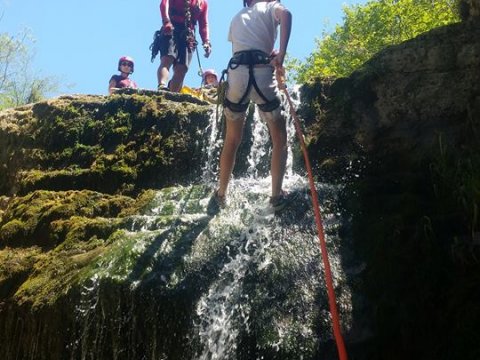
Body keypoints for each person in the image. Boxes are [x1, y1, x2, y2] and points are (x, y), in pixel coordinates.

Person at [208, 0, 292, 214]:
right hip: (263, 73)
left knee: (232, 139)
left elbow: (246, 44)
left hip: (237, 75)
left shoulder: (238, 16)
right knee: (279, 138)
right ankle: (275, 195)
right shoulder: (271, 6)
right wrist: (280, 54)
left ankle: (221, 193)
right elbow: (287, 14)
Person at [157, 0, 212, 92]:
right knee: (167, 59)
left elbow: (203, 23)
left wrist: (206, 41)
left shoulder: (202, 3)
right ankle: (162, 86)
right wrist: (166, 21)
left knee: (182, 68)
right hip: (171, 28)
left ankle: (173, 93)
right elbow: (164, 3)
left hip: (188, 35)